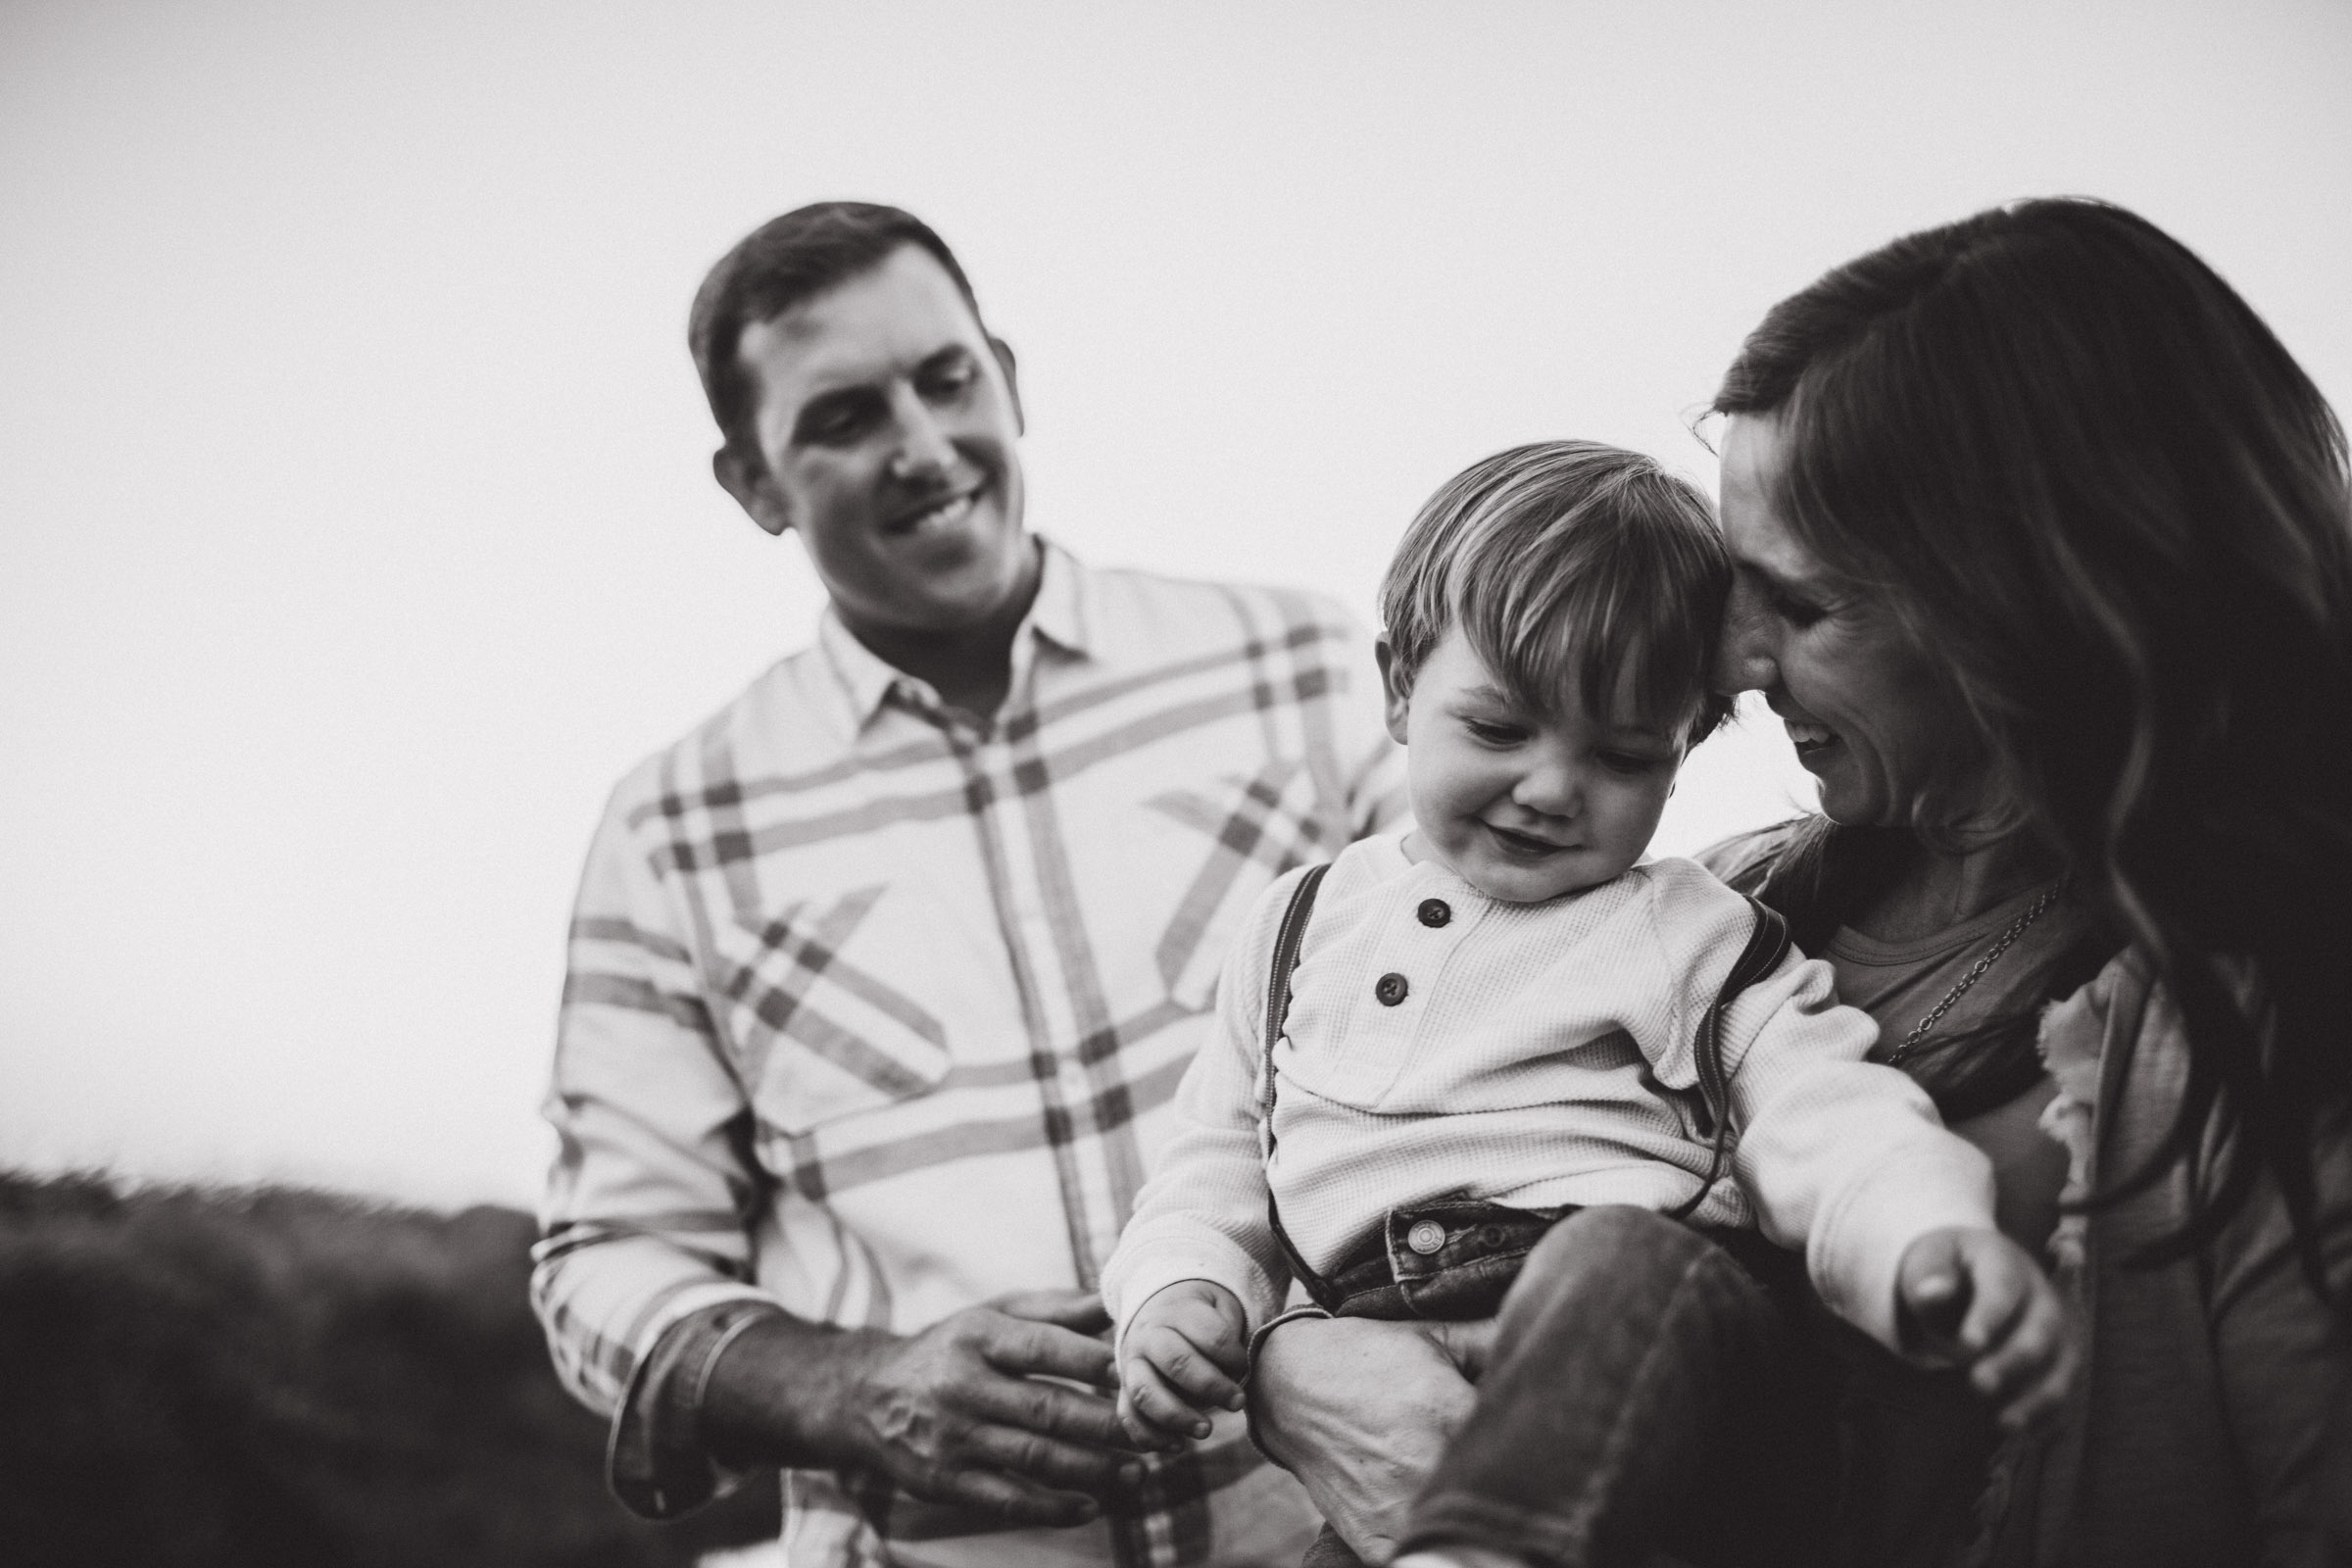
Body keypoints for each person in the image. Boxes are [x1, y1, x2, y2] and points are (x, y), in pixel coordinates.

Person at [1250, 197, 2352, 1568]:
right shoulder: (1720, 908)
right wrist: (1293, 1360)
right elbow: (1388, 1176)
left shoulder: (2270, 1026)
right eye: (1737, 593)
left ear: (2024, 604)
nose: (1733, 663)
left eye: (1806, 606)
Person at [530, 201, 1405, 1568]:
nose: (924, 447)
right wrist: (852, 1389)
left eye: (948, 381)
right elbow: (605, 1265)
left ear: (1009, 377)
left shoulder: (1296, 670)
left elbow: (1506, 992)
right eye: (841, 418)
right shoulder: (674, 830)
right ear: (753, 484)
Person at [1100, 441, 2072, 1567]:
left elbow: (1830, 1115)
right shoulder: (1301, 923)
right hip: (1392, 1387)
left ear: (1684, 752)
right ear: (1401, 685)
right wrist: (1183, 1291)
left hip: (1657, 1355)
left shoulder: (1692, 931)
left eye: (1619, 755)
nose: (1554, 788)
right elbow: (1216, 1156)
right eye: (1501, 727)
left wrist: (1925, 1238)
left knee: (1614, 1265)